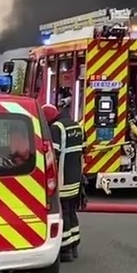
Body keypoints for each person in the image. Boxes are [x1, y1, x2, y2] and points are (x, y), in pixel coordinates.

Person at [43, 102, 85, 262]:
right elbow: (84, 149)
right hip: (76, 178)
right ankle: (74, 245)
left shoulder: (56, 129)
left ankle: (65, 250)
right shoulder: (76, 125)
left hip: (63, 179)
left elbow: (53, 155)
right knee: (71, 211)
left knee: (64, 213)